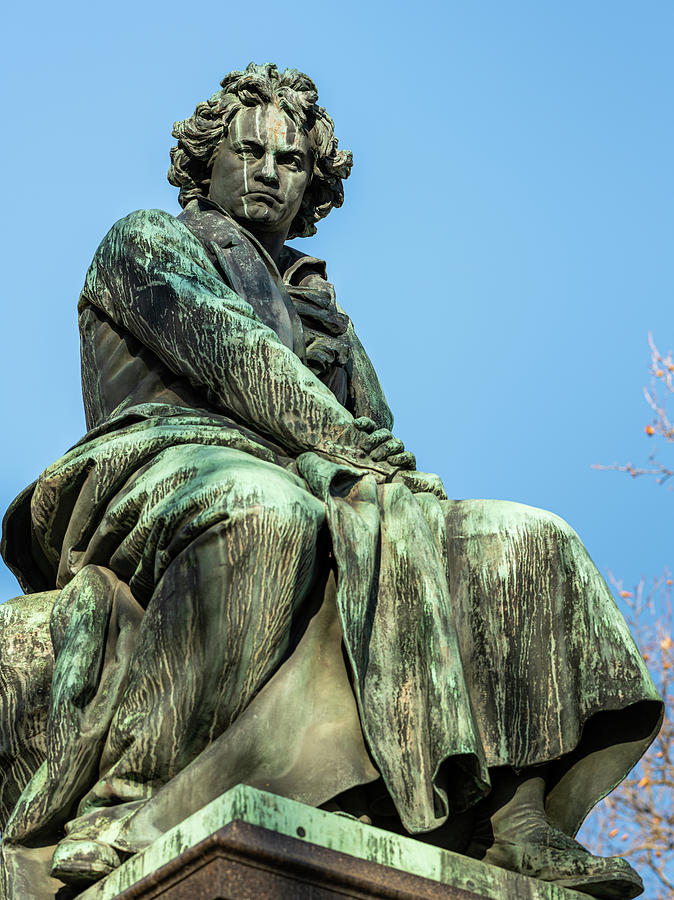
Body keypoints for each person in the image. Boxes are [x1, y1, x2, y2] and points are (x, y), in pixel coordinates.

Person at [0, 63, 662, 899]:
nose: (269, 171)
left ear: (314, 184)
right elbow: (234, 356)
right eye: (248, 151)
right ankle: (125, 799)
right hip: (165, 463)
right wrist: (349, 448)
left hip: (326, 473)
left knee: (525, 539)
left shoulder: (325, 311)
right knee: (264, 513)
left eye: (293, 162)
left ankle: (515, 814)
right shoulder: (144, 242)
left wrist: (388, 480)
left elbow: (381, 437)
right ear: (206, 162)